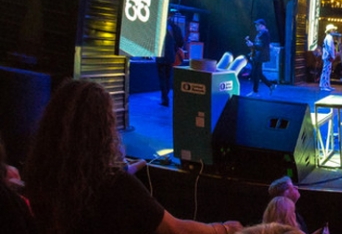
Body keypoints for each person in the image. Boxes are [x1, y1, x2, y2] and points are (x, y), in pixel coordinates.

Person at [24, 79, 243, 234]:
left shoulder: (39, 173)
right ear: (101, 130)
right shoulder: (115, 185)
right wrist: (222, 229)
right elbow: (175, 230)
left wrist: (125, 172)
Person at [157, 17, 185, 106]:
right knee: (168, 77)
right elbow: (181, 42)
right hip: (171, 56)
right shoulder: (175, 27)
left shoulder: (158, 26)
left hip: (161, 56)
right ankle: (166, 97)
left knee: (162, 78)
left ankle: (165, 99)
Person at [247, 19, 276, 97]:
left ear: (262, 25)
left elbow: (263, 46)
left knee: (256, 74)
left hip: (261, 56)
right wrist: (252, 46)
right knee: (258, 73)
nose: (256, 26)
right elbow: (258, 45)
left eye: (257, 25)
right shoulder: (260, 33)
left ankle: (255, 91)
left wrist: (252, 45)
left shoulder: (265, 34)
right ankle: (270, 86)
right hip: (258, 56)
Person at [320, 25, 338, 92]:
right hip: (328, 56)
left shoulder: (328, 37)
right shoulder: (329, 38)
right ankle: (324, 85)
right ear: (330, 30)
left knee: (327, 71)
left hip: (327, 56)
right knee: (326, 71)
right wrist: (332, 56)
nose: (334, 31)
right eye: (333, 29)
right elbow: (330, 48)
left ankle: (326, 85)